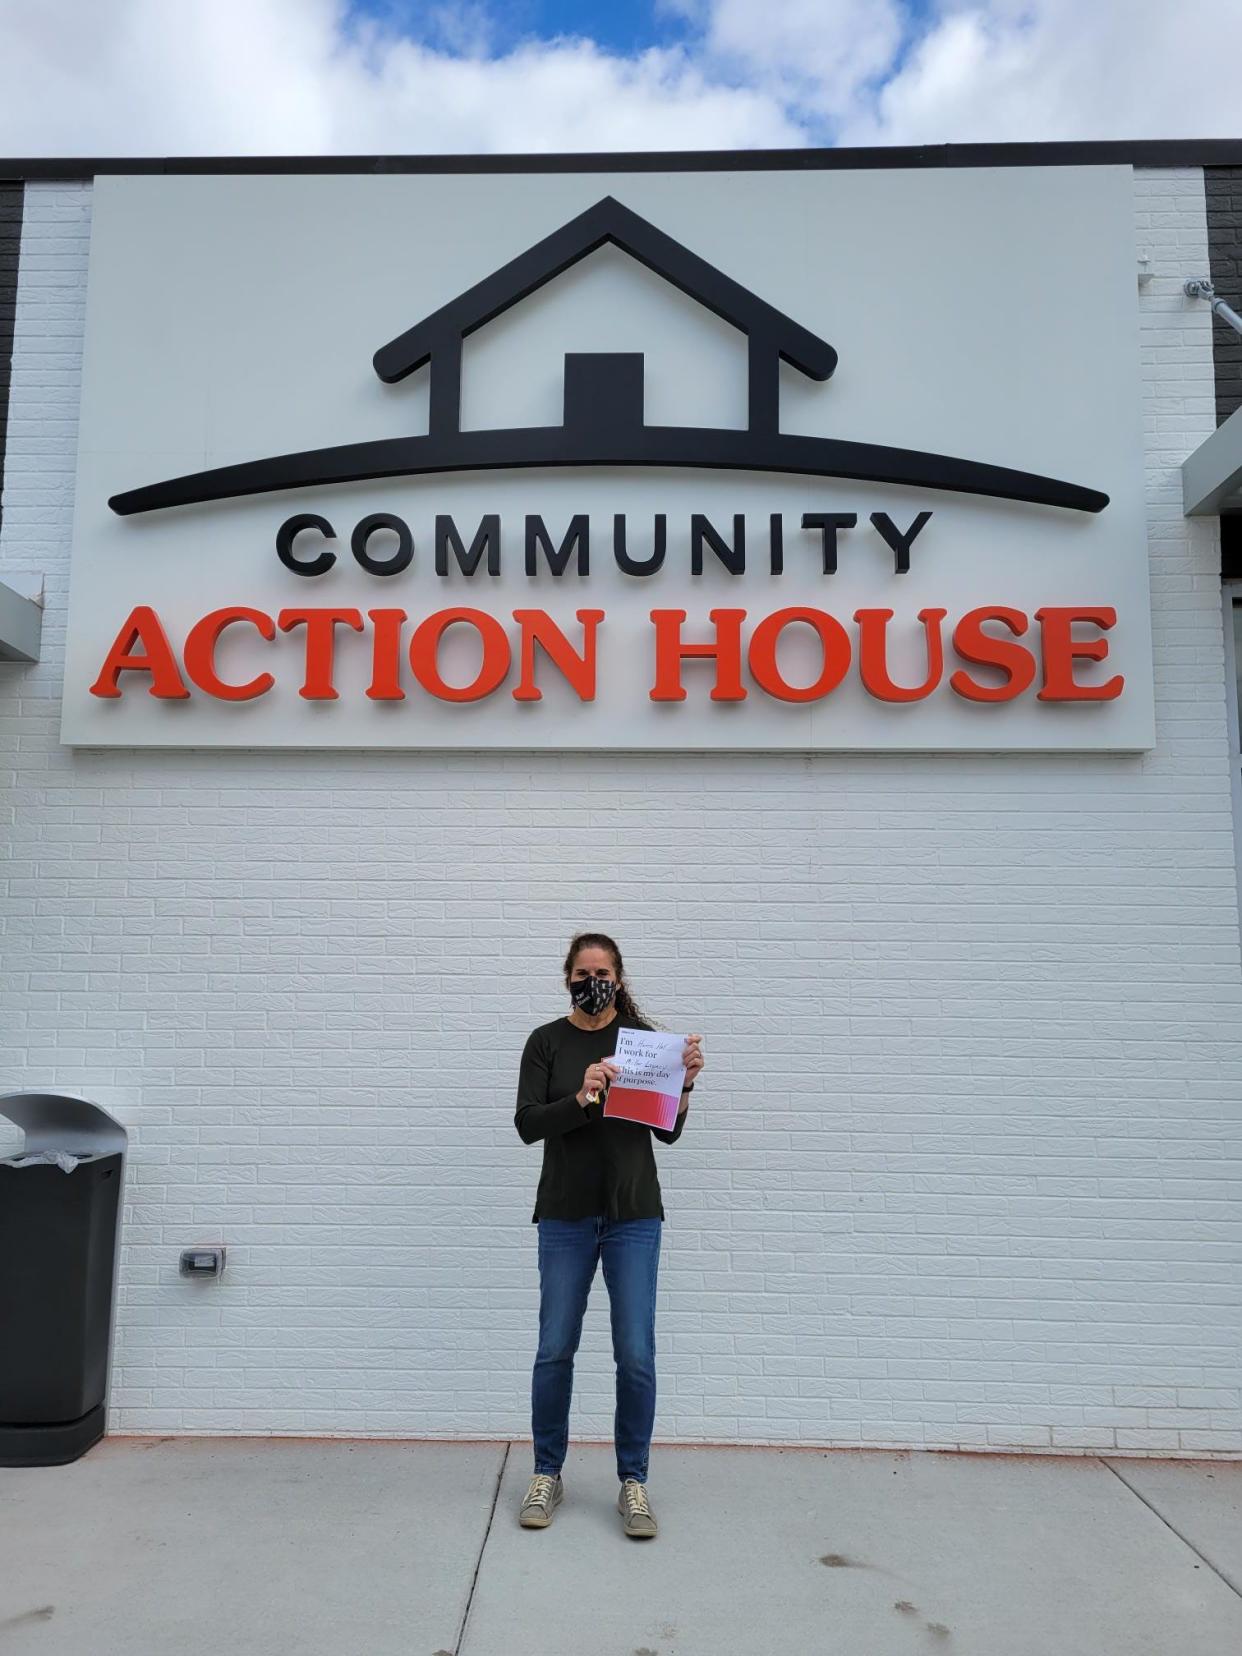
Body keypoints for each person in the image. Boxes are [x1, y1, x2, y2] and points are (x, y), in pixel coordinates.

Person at [513, 932, 704, 1540]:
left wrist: (687, 1084)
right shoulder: (546, 1042)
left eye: (602, 971)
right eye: (581, 971)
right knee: (554, 1349)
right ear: (567, 977)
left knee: (636, 1354)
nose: (591, 980)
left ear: (618, 979)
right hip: (566, 1215)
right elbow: (527, 1124)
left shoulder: (645, 1046)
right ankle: (548, 1472)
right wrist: (582, 1095)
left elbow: (667, 1132)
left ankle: (633, 1481)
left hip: (633, 1216)